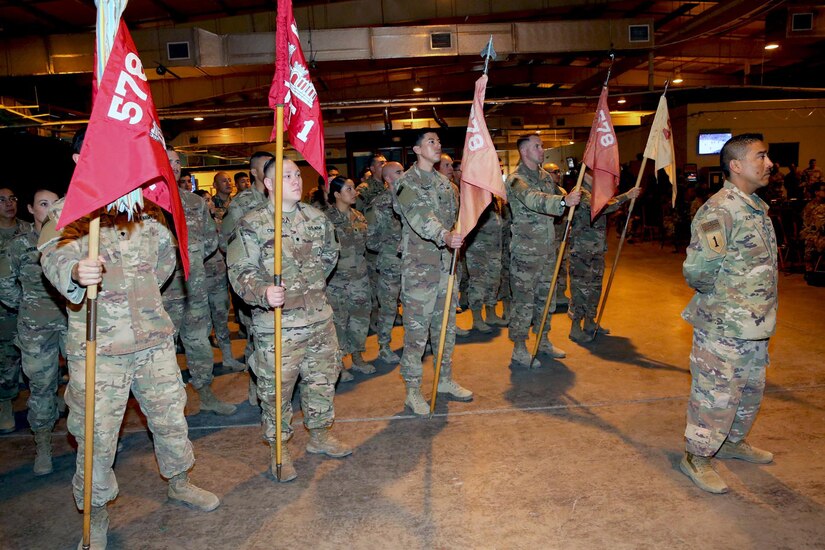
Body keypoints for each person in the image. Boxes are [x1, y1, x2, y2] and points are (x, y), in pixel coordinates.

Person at [39, 129, 220, 548]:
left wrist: (135, 300)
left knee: (171, 418)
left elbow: (163, 266)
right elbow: (52, 257)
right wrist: (75, 273)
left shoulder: (144, 213)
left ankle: (179, 480)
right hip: (101, 350)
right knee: (97, 436)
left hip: (153, 341)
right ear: (80, 160)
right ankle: (95, 511)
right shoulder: (68, 213)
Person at [227, 158, 352, 482]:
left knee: (323, 381)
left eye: (297, 174)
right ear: (268, 184)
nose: (296, 180)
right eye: (286, 176)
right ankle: (279, 449)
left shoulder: (316, 218)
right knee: (276, 391)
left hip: (318, 319)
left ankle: (320, 436)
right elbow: (240, 270)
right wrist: (263, 291)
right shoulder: (252, 224)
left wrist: (306, 289)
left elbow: (329, 255)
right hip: (279, 326)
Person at [679, 133, 778, 494]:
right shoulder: (720, 210)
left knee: (749, 391)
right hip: (725, 325)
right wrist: (724, 301)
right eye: (761, 157)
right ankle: (696, 456)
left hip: (755, 325)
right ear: (736, 166)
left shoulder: (755, 206)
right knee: (715, 394)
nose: (769, 164)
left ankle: (732, 443)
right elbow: (698, 271)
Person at [393, 131, 473, 415]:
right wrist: (444, 235)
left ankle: (445, 379)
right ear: (416, 149)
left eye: (439, 142)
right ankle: (412, 391)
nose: (437, 145)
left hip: (446, 268)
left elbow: (455, 220)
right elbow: (419, 216)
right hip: (419, 271)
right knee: (417, 334)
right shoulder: (405, 184)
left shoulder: (446, 184)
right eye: (431, 141)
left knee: (445, 329)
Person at [161, 147, 237, 415]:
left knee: (199, 342)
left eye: (177, 161)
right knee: (162, 351)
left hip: (193, 287)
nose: (175, 166)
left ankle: (206, 394)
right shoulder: (146, 206)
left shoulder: (194, 202)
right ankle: (169, 406)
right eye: (167, 161)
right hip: (160, 294)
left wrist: (190, 256)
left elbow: (210, 238)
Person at [0, 188, 66, 474]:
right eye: (43, 204)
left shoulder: (70, 241)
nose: (50, 209)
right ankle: (43, 444)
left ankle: (92, 440)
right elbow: (4, 285)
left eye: (55, 204)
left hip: (71, 324)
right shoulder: (19, 245)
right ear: (31, 209)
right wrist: (28, 305)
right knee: (41, 386)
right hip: (36, 329)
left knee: (84, 384)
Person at [506, 135, 580, 368]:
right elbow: (533, 199)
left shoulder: (546, 178)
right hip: (526, 254)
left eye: (541, 146)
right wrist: (563, 202)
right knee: (524, 302)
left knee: (545, 300)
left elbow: (559, 197)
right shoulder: (515, 180)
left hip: (548, 250)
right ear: (525, 151)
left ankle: (543, 339)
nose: (542, 150)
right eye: (537, 146)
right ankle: (519, 348)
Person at [219, 151, 275, 405]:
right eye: (266, 166)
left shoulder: (280, 199)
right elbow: (226, 242)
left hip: (282, 283)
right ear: (253, 172)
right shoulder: (241, 203)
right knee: (258, 337)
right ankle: (256, 384)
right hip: (255, 284)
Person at [567, 172, 641, 342]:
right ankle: (575, 327)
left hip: (596, 250)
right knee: (580, 289)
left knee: (595, 287)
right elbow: (599, 207)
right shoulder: (580, 192)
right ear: (586, 174)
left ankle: (590, 322)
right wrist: (626, 196)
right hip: (582, 252)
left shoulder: (595, 192)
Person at [325, 177, 375, 381]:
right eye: (349, 189)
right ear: (337, 194)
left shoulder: (359, 217)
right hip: (337, 281)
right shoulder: (326, 219)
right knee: (338, 322)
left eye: (354, 188)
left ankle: (357, 357)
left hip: (360, 279)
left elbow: (369, 244)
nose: (354, 192)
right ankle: (339, 364)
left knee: (360, 319)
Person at [365, 162, 404, 364]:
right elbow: (370, 239)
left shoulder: (411, 200)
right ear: (388, 179)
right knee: (388, 308)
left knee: (415, 306)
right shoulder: (379, 204)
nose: (403, 174)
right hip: (390, 264)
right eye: (398, 172)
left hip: (414, 265)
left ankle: (419, 343)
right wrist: (391, 247)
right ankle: (384, 346)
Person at [0, 186, 33, 433]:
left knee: (34, 356)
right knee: (7, 358)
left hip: (29, 304)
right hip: (4, 308)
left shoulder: (28, 229)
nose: (9, 203)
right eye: (2, 200)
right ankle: (5, 404)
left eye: (12, 198)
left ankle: (41, 399)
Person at [801, 181, 825, 280]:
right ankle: (809, 270)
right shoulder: (810, 206)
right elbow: (807, 224)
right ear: (817, 192)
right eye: (824, 190)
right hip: (814, 233)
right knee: (810, 239)